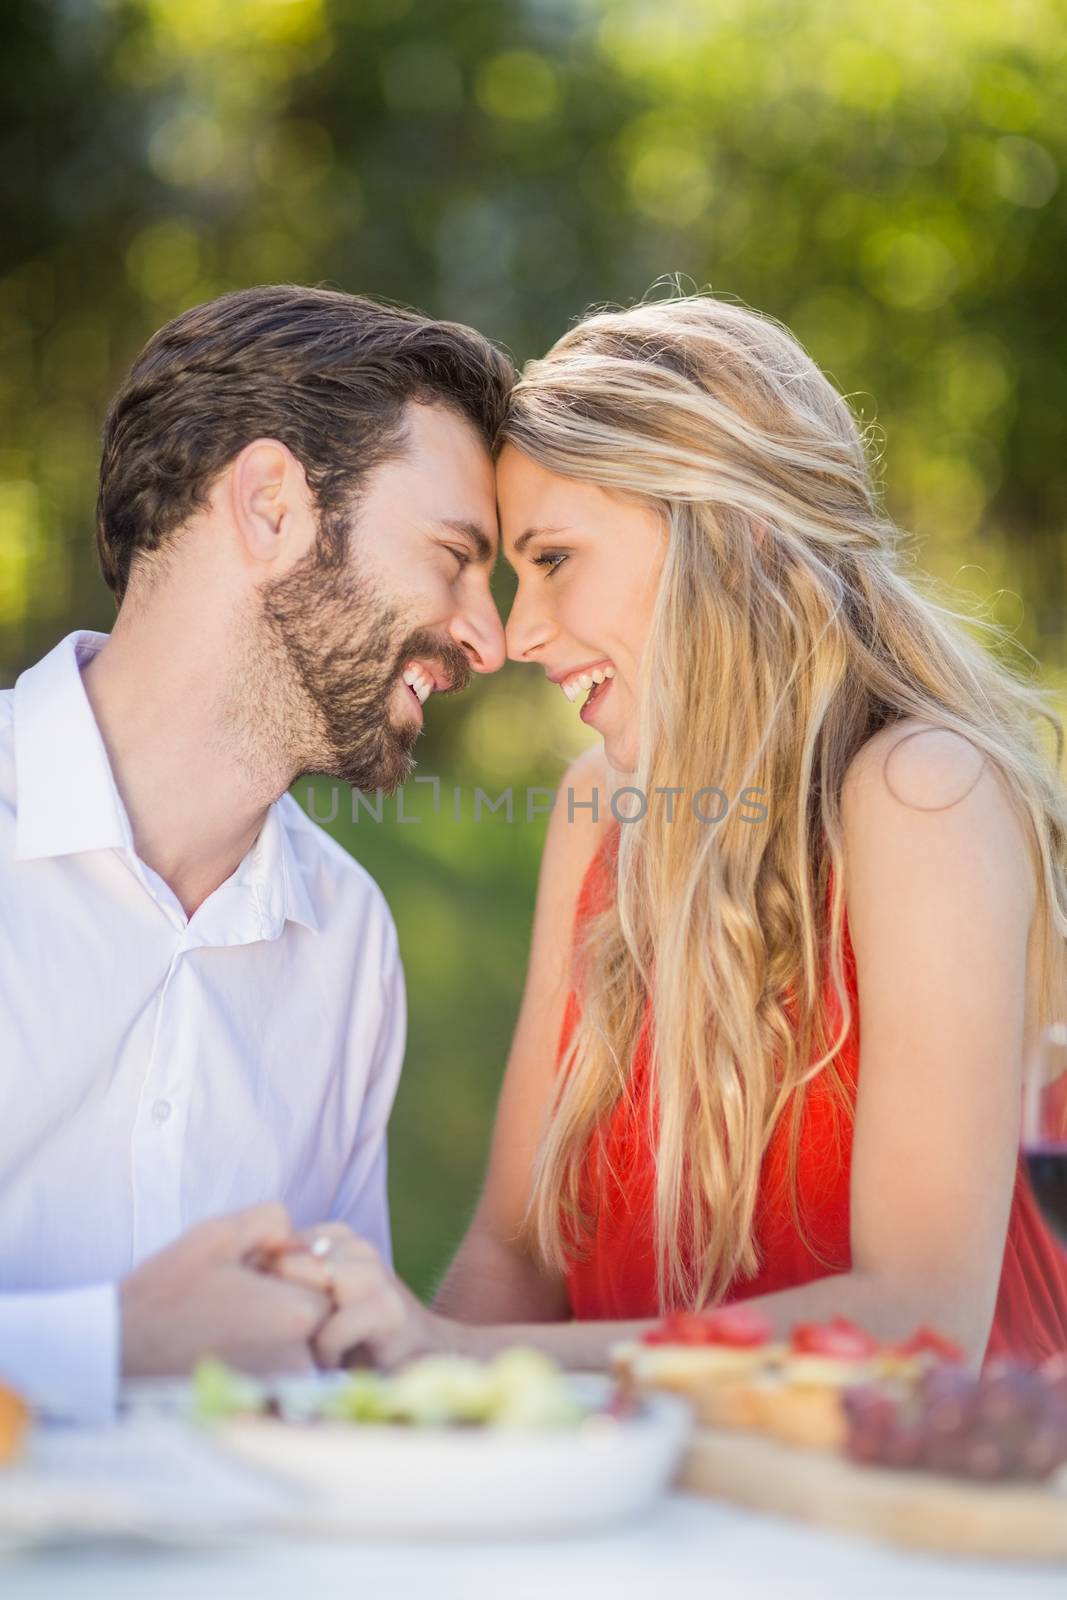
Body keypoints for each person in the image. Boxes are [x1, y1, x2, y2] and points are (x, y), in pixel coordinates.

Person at [275, 292, 1067, 1372]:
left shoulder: (923, 795)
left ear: (730, 537)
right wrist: (421, 1409)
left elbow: (917, 1319)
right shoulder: (596, 809)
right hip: (652, 1506)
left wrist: (456, 1357)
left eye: (551, 559)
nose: (515, 634)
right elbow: (515, 1251)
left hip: (897, 1518)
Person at [0, 284, 513, 1417]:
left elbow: (329, 1403)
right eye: (453, 555)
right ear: (273, 504)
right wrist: (115, 1340)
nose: (490, 633)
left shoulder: (344, 939)